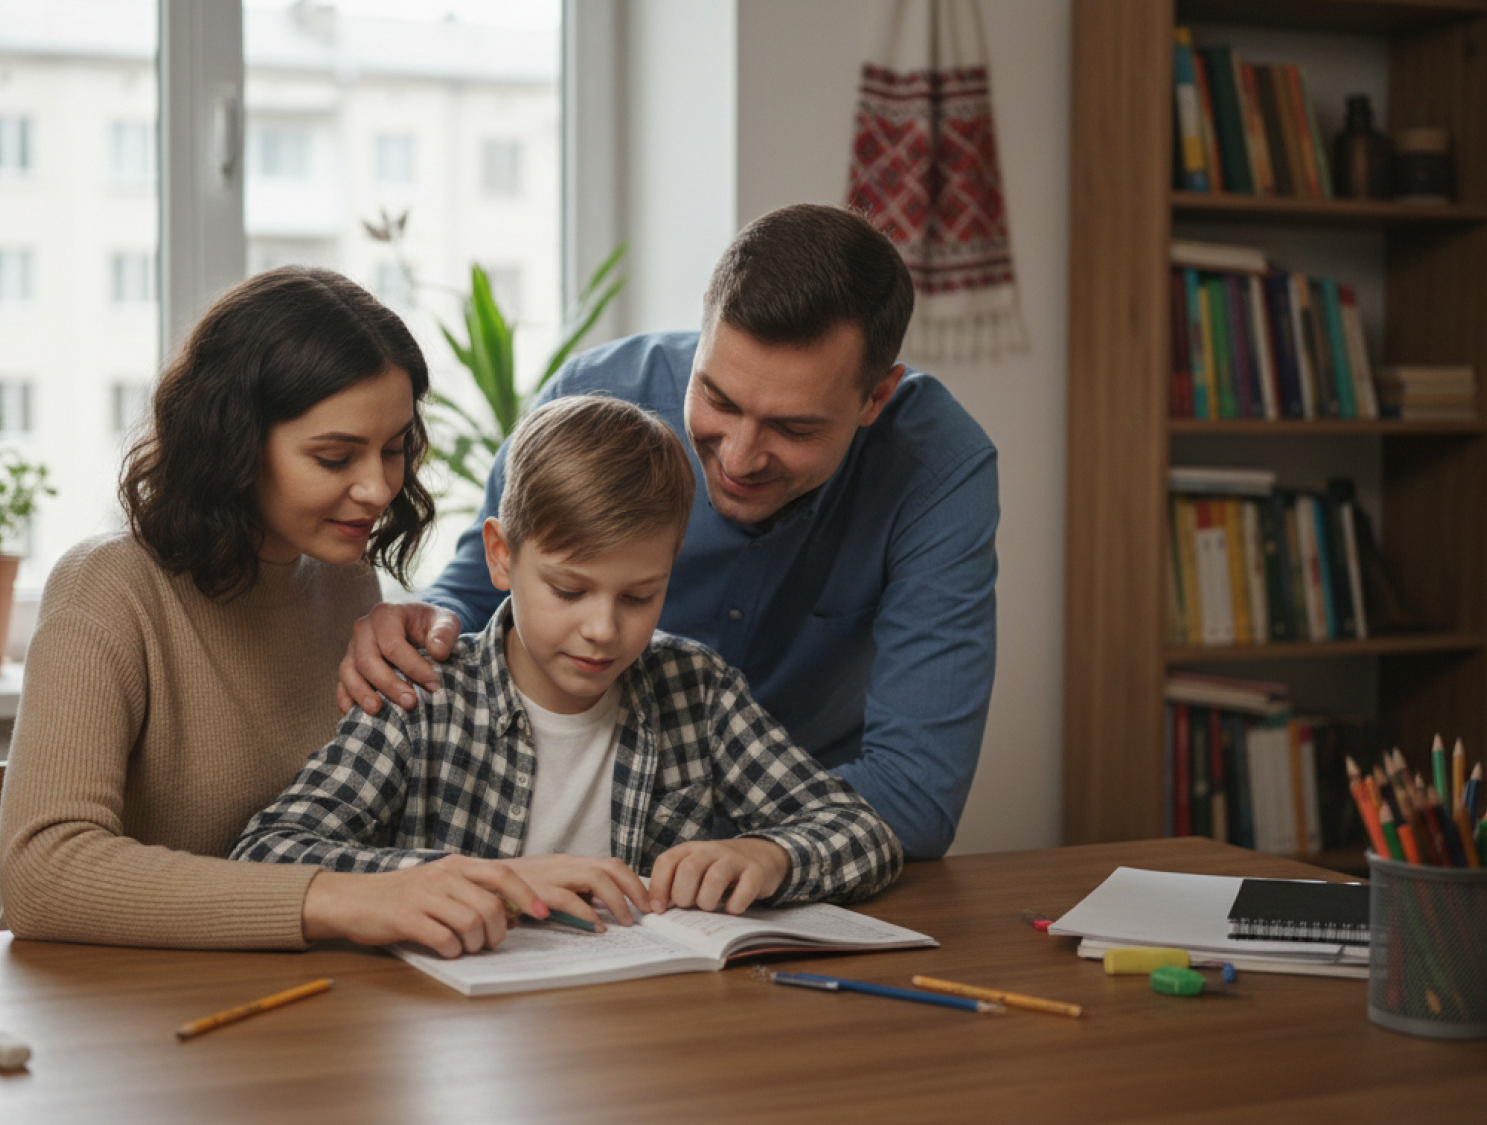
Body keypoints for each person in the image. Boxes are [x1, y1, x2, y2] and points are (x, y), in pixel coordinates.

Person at [337, 204, 998, 860]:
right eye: (718, 399)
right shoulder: (596, 397)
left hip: (799, 837)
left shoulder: (937, 469)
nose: (738, 459)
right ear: (705, 333)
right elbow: (484, 592)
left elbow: (915, 794)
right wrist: (417, 626)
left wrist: (758, 853)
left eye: (794, 429)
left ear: (875, 399)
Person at [0, 267, 553, 959]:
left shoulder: (347, 584)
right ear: (232, 442)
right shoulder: (107, 588)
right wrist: (332, 897)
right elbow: (42, 873)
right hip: (110, 1007)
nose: (379, 487)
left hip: (278, 996)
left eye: (394, 448)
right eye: (335, 455)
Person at [233, 395, 899, 922]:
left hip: (634, 1034)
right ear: (501, 554)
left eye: (640, 595)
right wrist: (486, 882)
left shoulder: (698, 690)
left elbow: (862, 833)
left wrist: (770, 853)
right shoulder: (422, 696)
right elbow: (265, 856)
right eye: (569, 590)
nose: (603, 629)